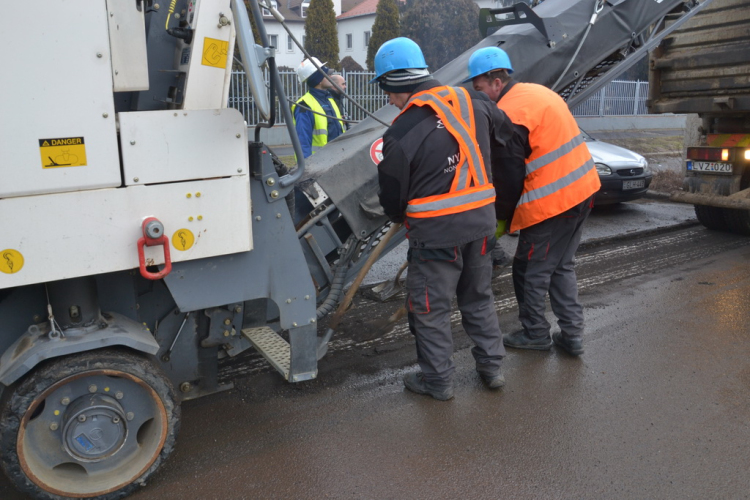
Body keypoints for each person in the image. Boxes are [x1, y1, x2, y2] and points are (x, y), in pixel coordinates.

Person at [372, 37, 516, 400]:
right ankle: (492, 368)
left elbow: (392, 197)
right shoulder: (476, 102)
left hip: (436, 237)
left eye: (388, 90)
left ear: (397, 82)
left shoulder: (400, 132)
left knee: (431, 309)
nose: (389, 100)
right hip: (481, 227)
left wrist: (400, 214)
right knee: (478, 299)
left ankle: (438, 382)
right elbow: (507, 138)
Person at [464, 46, 601, 356]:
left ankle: (536, 333)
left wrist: (499, 219)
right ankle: (572, 334)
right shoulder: (536, 93)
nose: (479, 96)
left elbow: (510, 178)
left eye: (480, 88)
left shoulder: (508, 115)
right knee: (561, 266)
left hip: (552, 202)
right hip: (584, 189)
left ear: (496, 82)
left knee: (529, 269)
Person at [292, 57, 344, 158]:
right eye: (326, 73)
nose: (330, 76)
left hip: (337, 159)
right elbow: (303, 143)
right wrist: (306, 170)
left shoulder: (329, 99)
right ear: (318, 80)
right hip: (320, 165)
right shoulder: (304, 105)